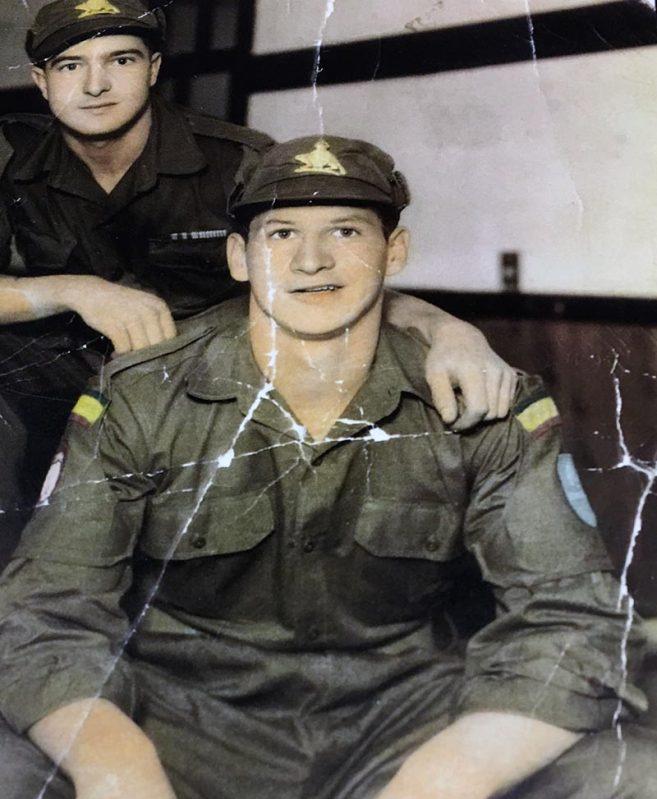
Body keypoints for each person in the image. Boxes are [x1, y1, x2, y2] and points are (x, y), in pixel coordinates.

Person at [0, 132, 655, 799]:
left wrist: (436, 791)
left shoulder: (481, 401)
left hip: (394, 734)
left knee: (634, 792)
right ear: (238, 256)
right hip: (184, 735)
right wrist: (118, 778)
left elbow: (574, 621)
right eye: (278, 234)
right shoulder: (140, 398)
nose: (310, 260)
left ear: (395, 251)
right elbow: (41, 613)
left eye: (345, 232)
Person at [0, 0, 515, 538]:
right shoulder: (9, 155)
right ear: (41, 80)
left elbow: (331, 277)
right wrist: (77, 290)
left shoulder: (243, 164)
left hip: (207, 384)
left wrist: (450, 330)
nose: (95, 85)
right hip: (59, 374)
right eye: (70, 65)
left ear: (153, 69)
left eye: (121, 61)